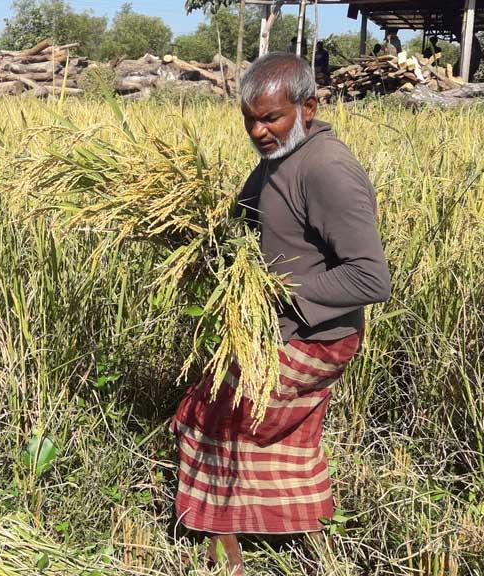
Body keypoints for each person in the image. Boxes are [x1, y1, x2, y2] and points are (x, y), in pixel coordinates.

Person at [172, 53, 391, 574]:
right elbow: (240, 221)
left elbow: (370, 278)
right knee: (251, 419)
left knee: (213, 418)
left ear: (308, 108)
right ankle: (304, 535)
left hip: (316, 336)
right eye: (249, 118)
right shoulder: (275, 161)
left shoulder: (328, 170)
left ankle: (222, 549)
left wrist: (274, 291)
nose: (258, 129)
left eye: (270, 117)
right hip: (281, 328)